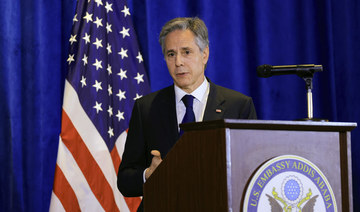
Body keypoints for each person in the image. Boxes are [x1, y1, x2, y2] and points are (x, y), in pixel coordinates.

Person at [117, 17, 257, 211]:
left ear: (205, 54)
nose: (178, 62)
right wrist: (148, 174)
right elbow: (125, 180)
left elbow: (251, 173)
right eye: (171, 54)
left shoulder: (238, 106)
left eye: (186, 52)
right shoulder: (146, 108)